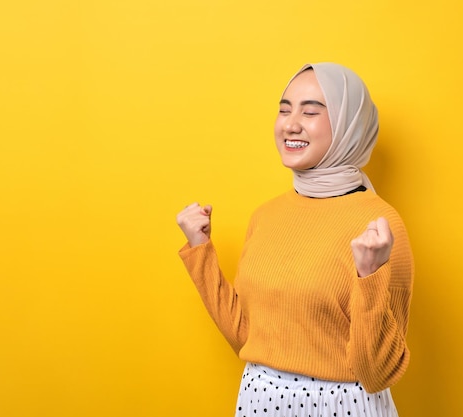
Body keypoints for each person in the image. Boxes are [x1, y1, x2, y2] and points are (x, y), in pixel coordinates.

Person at [176, 63, 414, 417]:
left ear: (349, 125)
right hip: (261, 402)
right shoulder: (266, 216)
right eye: (284, 109)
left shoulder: (379, 226)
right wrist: (200, 250)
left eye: (311, 111)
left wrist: (370, 276)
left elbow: (376, 374)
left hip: (341, 407)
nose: (290, 123)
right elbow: (247, 336)